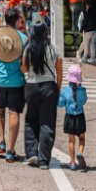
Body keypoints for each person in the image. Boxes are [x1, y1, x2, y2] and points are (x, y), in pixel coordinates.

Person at [0, 7, 26, 163]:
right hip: (16, 81)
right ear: (17, 20)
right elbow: (24, 64)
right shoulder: (23, 38)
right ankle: (10, 150)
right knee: (14, 113)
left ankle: (1, 141)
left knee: (0, 109)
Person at [21, 21, 62, 169]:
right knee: (47, 123)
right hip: (49, 87)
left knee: (31, 119)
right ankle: (44, 160)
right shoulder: (53, 50)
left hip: (31, 87)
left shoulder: (28, 49)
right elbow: (59, 72)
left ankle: (32, 153)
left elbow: (24, 68)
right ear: (46, 32)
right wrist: (57, 89)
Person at [58, 64, 88, 171]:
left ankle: (72, 162)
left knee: (71, 141)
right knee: (82, 138)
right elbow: (84, 101)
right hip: (80, 117)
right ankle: (80, 153)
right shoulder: (83, 90)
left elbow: (60, 104)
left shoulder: (65, 91)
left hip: (69, 117)